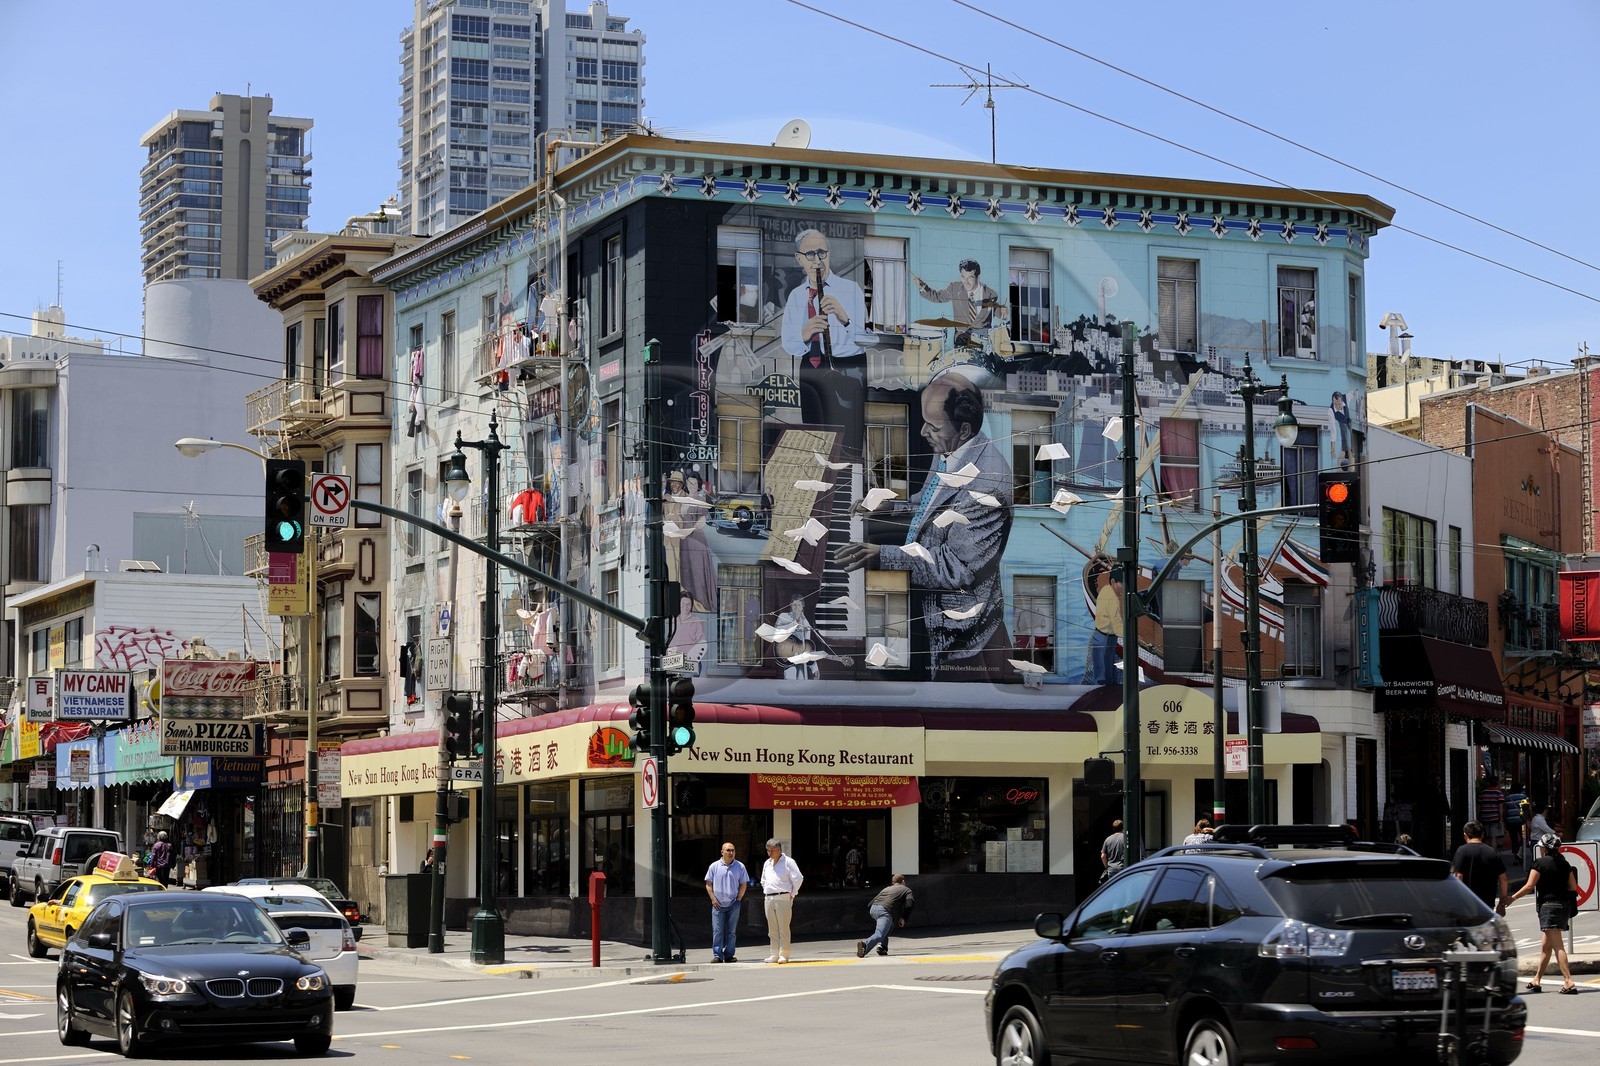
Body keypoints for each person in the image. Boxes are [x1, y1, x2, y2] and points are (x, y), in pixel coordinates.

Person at [836, 372, 1014, 679]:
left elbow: (954, 568)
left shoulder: (987, 486)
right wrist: (892, 506)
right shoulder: (951, 449)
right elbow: (932, 502)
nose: (923, 431)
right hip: (936, 613)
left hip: (963, 642)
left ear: (964, 429)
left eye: (933, 426)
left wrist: (882, 555)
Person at [781, 228, 869, 434]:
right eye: (810, 254)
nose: (817, 260)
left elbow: (866, 339)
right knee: (814, 431)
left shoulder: (851, 289)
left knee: (846, 434)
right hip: (811, 367)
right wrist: (805, 334)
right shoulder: (796, 296)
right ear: (799, 259)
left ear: (829, 254)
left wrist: (844, 319)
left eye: (822, 253)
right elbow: (788, 344)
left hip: (846, 367)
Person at [1505, 832, 1578, 993]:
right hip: (1563, 907)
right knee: (1546, 946)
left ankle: (1568, 981)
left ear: (1545, 848)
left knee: (1558, 946)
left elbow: (1529, 886)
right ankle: (1537, 979)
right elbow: (1573, 887)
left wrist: (1512, 898)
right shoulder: (1564, 863)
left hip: (1549, 907)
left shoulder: (1539, 863)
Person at [913, 259, 1002, 349]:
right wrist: (922, 287)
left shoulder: (990, 295)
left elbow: (997, 312)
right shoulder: (954, 288)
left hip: (982, 343)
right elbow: (937, 296)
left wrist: (1003, 312)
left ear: (978, 278)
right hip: (961, 341)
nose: (966, 282)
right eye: (963, 277)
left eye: (970, 278)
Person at [759, 837, 804, 964]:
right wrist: (767, 890)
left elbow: (798, 878)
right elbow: (763, 880)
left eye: (772, 850)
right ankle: (774, 954)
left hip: (783, 896)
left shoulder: (788, 862)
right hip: (769, 897)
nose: (769, 853)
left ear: (779, 850)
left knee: (783, 928)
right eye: (768, 850)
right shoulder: (767, 863)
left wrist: (793, 893)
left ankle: (784, 954)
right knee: (772, 929)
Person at [704, 842, 750, 963]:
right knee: (717, 931)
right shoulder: (714, 866)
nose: (731, 852)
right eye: (728, 850)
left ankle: (729, 955)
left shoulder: (740, 866)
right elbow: (708, 884)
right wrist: (713, 899)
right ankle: (717, 955)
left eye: (733, 850)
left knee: (731, 931)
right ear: (722, 852)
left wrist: (739, 899)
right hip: (717, 904)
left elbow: (743, 884)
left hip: (733, 904)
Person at [1450, 821, 1508, 914]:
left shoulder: (1462, 851)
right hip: (1487, 905)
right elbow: (1503, 879)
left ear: (1465, 836)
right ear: (1482, 835)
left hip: (1467, 904)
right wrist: (1501, 903)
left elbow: (1458, 877)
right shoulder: (1493, 852)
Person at [856, 873, 914, 958]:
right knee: (880, 934)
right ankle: (865, 945)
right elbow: (909, 904)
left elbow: (871, 903)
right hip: (883, 911)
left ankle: (882, 947)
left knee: (890, 925)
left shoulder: (887, 889)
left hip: (873, 909)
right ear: (903, 881)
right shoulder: (906, 890)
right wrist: (904, 918)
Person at [1089, 570, 1124, 686]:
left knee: (1103, 673)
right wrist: (1131, 634)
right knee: (1105, 678)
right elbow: (1116, 624)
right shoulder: (1113, 599)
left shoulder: (1105, 589)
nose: (1124, 587)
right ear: (1113, 581)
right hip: (1106, 639)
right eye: (1122, 584)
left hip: (1100, 636)